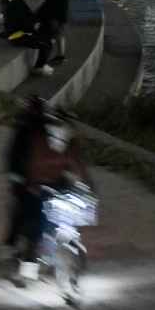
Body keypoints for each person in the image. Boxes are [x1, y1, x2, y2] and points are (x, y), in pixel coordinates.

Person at [15, 106, 94, 285]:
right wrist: (35, 185)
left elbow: (79, 166)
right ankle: (27, 271)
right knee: (36, 227)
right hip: (38, 186)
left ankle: (65, 258)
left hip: (59, 185)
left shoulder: (72, 143)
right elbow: (33, 164)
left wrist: (88, 188)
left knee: (70, 220)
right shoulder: (39, 140)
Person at [3, 95, 47, 262]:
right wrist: (16, 178)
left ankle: (31, 244)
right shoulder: (24, 127)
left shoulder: (43, 127)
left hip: (39, 178)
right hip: (24, 179)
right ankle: (13, 244)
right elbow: (14, 155)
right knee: (22, 212)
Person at [0, 0, 56, 74]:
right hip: (18, 36)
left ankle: (42, 64)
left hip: (10, 32)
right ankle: (39, 67)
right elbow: (26, 23)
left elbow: (5, 18)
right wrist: (36, 27)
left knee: (44, 32)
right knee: (47, 42)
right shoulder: (19, 2)